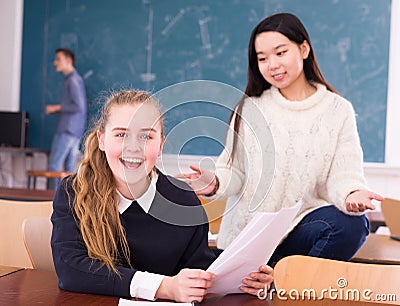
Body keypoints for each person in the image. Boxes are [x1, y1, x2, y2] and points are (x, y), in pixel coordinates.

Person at [180, 13, 384, 265]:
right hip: (248, 239)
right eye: (262, 58)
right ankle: (266, 278)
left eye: (280, 52)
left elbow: (343, 175)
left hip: (301, 234)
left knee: (351, 224)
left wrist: (351, 194)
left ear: (304, 49)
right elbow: (233, 171)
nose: (272, 64)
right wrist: (214, 182)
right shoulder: (250, 108)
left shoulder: (337, 110)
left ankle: (288, 284)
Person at [50, 90, 273, 302]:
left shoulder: (183, 201)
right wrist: (164, 287)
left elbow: (200, 270)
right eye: (121, 134)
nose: (133, 147)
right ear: (101, 139)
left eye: (146, 136)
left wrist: (244, 280)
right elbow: (71, 270)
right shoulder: (74, 192)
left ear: (161, 144)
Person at [45, 48, 87, 187]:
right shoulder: (74, 79)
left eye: (58, 59)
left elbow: (78, 106)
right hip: (75, 130)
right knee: (70, 169)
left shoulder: (73, 80)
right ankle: (68, 202)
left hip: (68, 129)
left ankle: (52, 201)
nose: (55, 62)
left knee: (54, 166)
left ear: (68, 61)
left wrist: (57, 107)